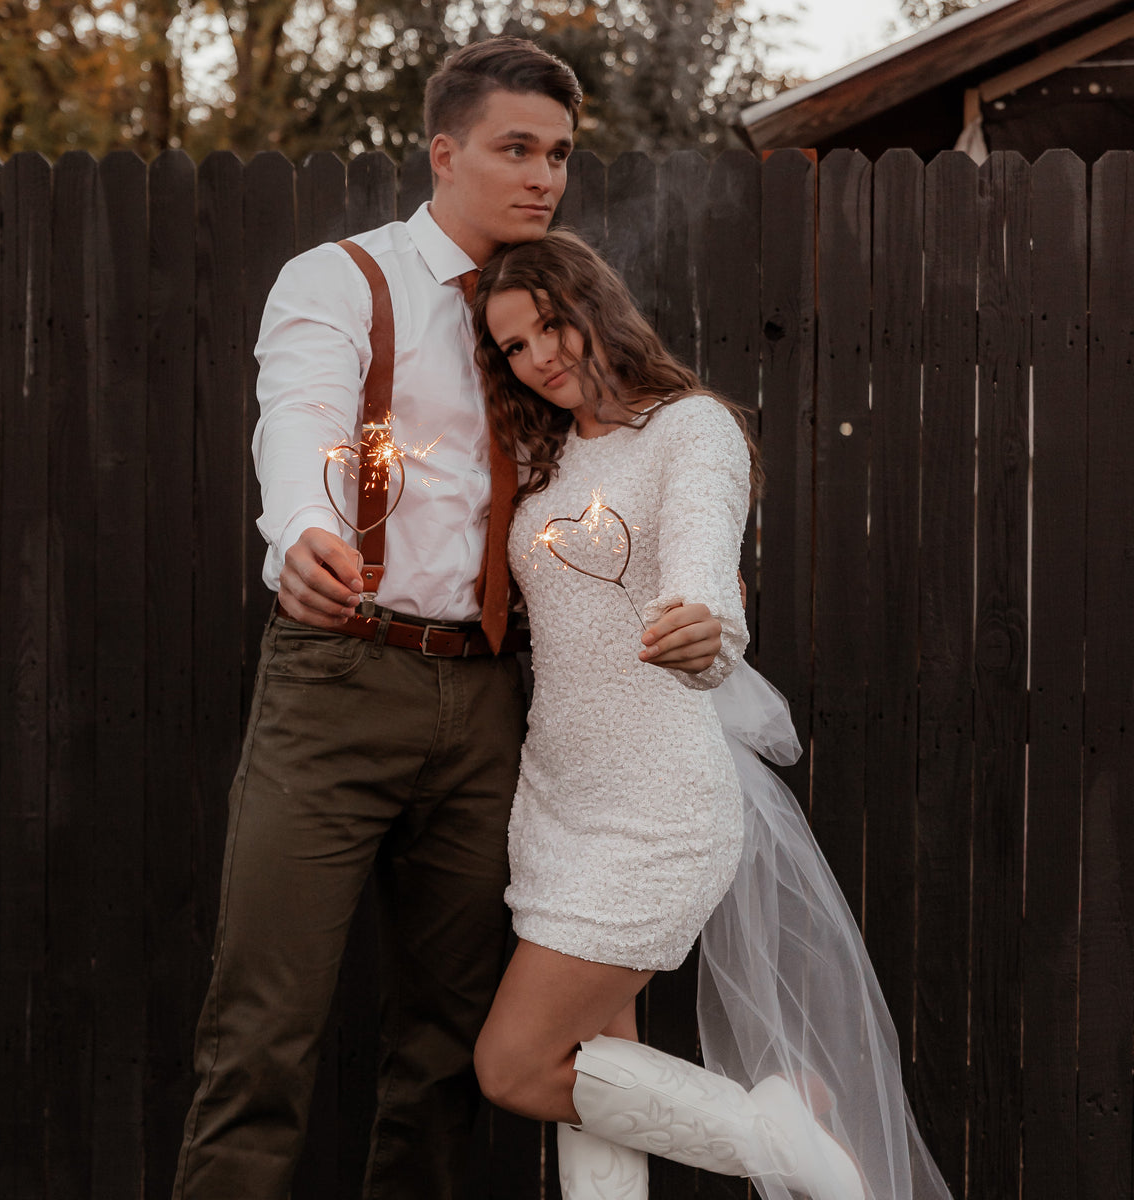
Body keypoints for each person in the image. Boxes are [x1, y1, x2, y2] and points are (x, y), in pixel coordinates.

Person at [171, 38, 637, 1200]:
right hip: (337, 678)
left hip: (488, 701)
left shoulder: (554, 318)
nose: (542, 176)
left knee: (444, 1046)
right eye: (514, 149)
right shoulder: (340, 279)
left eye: (561, 155)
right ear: (445, 151)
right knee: (263, 1028)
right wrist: (302, 535)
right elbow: (305, 418)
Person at [468, 230, 956, 1200]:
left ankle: (779, 1134)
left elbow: (703, 571)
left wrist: (708, 631)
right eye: (516, 347)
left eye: (552, 325)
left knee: (514, 1067)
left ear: (594, 304)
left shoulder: (690, 431)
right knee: (589, 1074)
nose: (541, 358)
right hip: (557, 804)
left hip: (655, 809)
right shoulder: (549, 457)